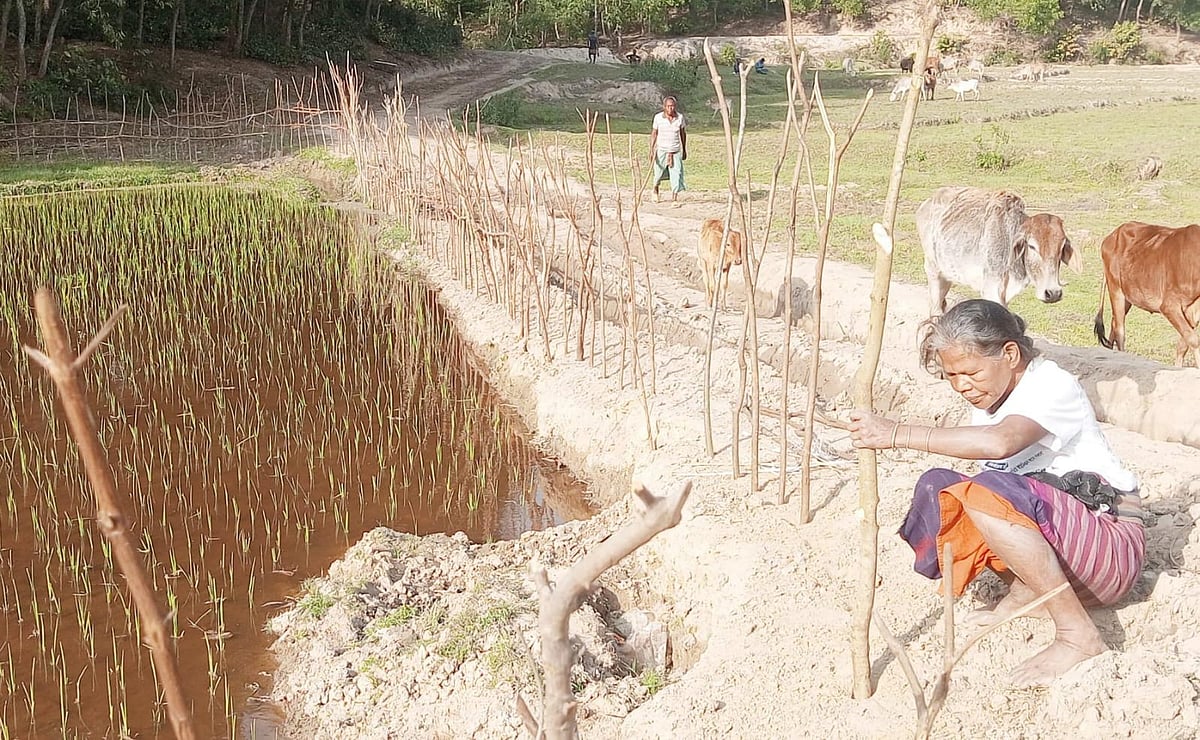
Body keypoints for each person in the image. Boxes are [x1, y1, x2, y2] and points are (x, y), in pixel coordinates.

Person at [848, 299, 1146, 686]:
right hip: (1067, 558)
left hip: (1108, 553)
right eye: (952, 376)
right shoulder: (989, 402)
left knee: (989, 492)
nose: (961, 386)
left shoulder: (1052, 384)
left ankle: (1078, 634)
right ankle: (1026, 592)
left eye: (970, 372)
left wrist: (897, 434)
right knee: (941, 488)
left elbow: (1001, 443)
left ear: (1010, 353)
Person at [648, 95, 687, 204]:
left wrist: (684, 149)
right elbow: (654, 133)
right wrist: (651, 150)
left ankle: (674, 198)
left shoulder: (679, 118)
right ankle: (655, 190)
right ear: (664, 107)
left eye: (673, 106)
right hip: (662, 150)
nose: (671, 108)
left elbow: (683, 134)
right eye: (668, 106)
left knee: (676, 174)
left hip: (675, 150)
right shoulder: (658, 118)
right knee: (658, 173)